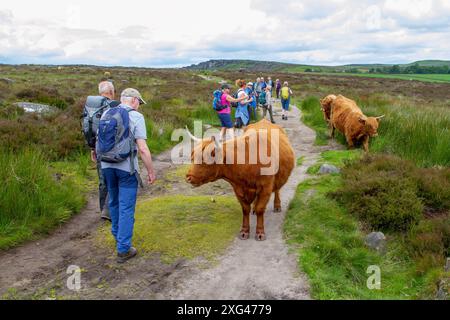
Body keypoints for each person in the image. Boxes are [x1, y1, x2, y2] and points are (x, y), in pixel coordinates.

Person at [100, 88, 156, 263]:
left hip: (106, 166)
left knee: (114, 201)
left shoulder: (106, 113)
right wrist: (151, 170)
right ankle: (123, 248)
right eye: (139, 102)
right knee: (126, 207)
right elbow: (143, 149)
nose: (139, 106)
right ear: (133, 100)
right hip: (126, 168)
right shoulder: (136, 117)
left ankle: (118, 235)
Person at [92, 81, 120, 222]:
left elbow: (89, 129)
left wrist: (92, 148)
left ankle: (102, 208)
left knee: (102, 179)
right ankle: (109, 210)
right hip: (112, 149)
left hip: (97, 148)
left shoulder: (93, 107)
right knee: (114, 178)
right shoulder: (114, 106)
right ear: (112, 92)